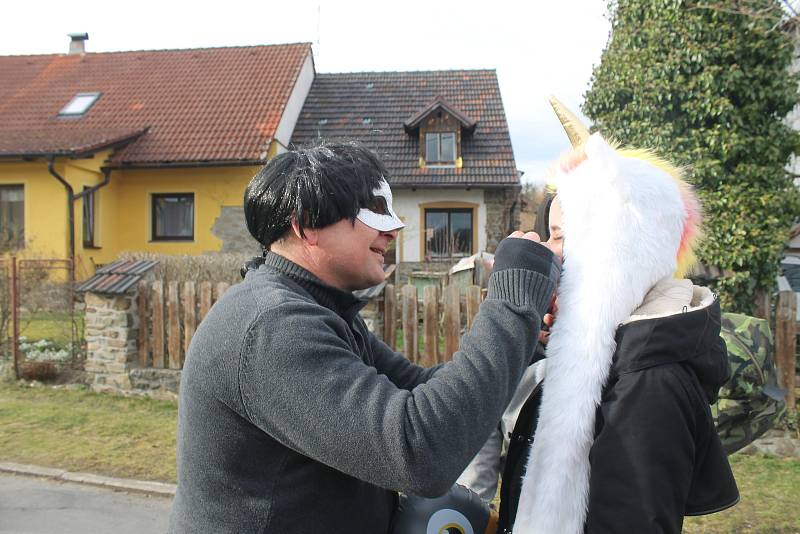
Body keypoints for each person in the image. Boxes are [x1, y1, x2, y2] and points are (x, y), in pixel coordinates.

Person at [167, 141, 561, 533]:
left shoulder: (318, 309)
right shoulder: (273, 326)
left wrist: (526, 339)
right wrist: (512, 302)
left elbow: (422, 389)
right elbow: (421, 451)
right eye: (374, 211)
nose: (393, 231)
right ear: (305, 225)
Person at [498, 99, 739, 534]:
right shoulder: (606, 359)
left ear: (613, 248)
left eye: (562, 237)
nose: (548, 252)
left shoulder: (648, 384)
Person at [456, 192, 556, 502]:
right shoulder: (519, 352)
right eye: (551, 234)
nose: (552, 249)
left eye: (566, 235)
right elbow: (475, 480)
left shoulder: (633, 356)